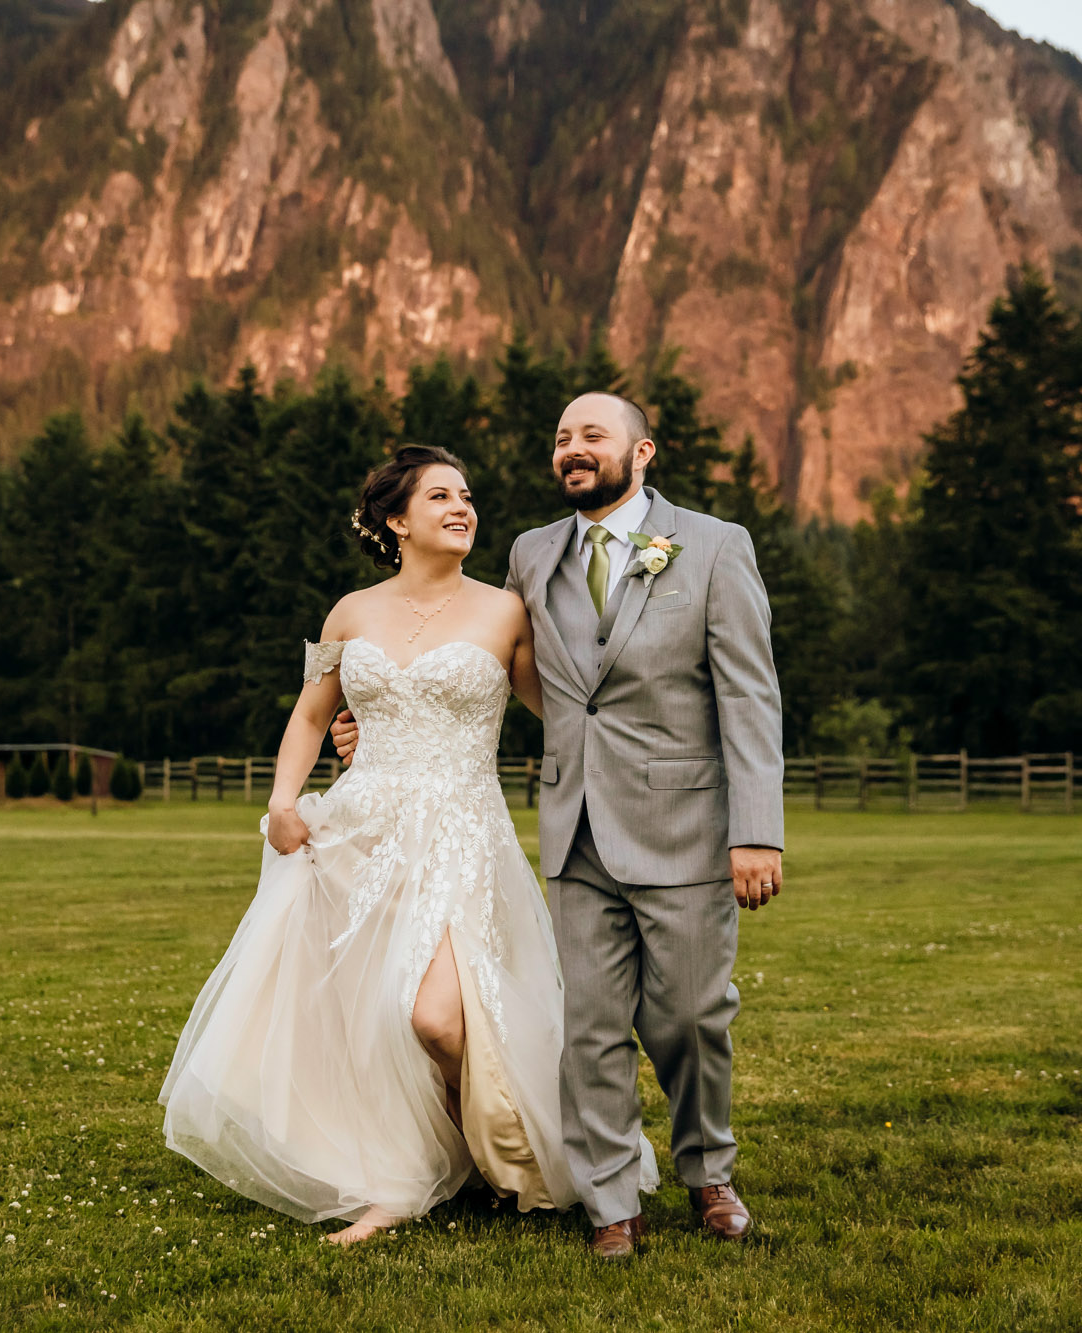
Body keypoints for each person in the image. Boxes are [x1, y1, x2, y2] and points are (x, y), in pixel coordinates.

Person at [159, 445, 652, 1245]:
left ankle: (489, 1153)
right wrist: (283, 801)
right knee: (369, 1016)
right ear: (397, 520)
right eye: (441, 497)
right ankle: (395, 1178)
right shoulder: (349, 613)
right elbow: (312, 714)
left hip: (462, 832)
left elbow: (570, 717)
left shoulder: (505, 611)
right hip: (362, 831)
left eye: (467, 495)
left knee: (438, 1021)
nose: (463, 507)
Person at [333, 393, 785, 1259]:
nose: (572, 450)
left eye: (592, 436)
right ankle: (612, 1201)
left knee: (691, 1016)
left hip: (686, 822)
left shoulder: (717, 546)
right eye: (561, 438)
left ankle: (708, 1170)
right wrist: (372, 722)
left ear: (641, 451)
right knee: (590, 1025)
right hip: (573, 827)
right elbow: (491, 665)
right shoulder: (532, 554)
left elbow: (751, 696)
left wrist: (756, 830)